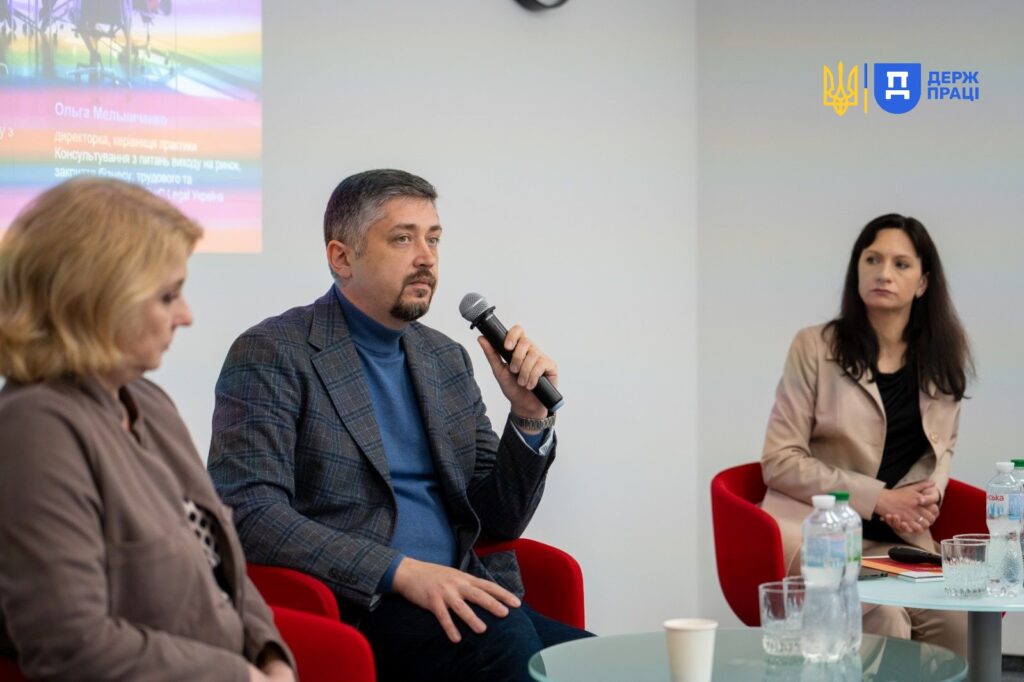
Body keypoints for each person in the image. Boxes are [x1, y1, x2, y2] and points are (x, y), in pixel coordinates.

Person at [208, 169, 590, 682]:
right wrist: (399, 572)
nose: (426, 257)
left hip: (462, 594)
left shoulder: (444, 358)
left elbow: (496, 522)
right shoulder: (273, 352)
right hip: (360, 603)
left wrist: (528, 415)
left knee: (601, 663)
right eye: (403, 239)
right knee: (505, 645)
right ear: (342, 257)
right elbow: (248, 511)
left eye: (434, 239)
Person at [0, 178, 295, 682]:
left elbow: (222, 572)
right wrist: (242, 676)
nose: (186, 316)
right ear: (96, 299)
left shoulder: (148, 401)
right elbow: (74, 647)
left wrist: (270, 656)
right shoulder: (34, 429)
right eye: (168, 296)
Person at [761, 213, 972, 655]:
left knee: (957, 619)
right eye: (872, 259)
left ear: (923, 282)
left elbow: (942, 451)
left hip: (900, 542)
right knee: (885, 615)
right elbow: (779, 461)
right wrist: (880, 499)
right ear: (856, 270)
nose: (883, 273)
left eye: (901, 264)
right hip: (821, 538)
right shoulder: (814, 347)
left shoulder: (941, 359)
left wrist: (927, 496)